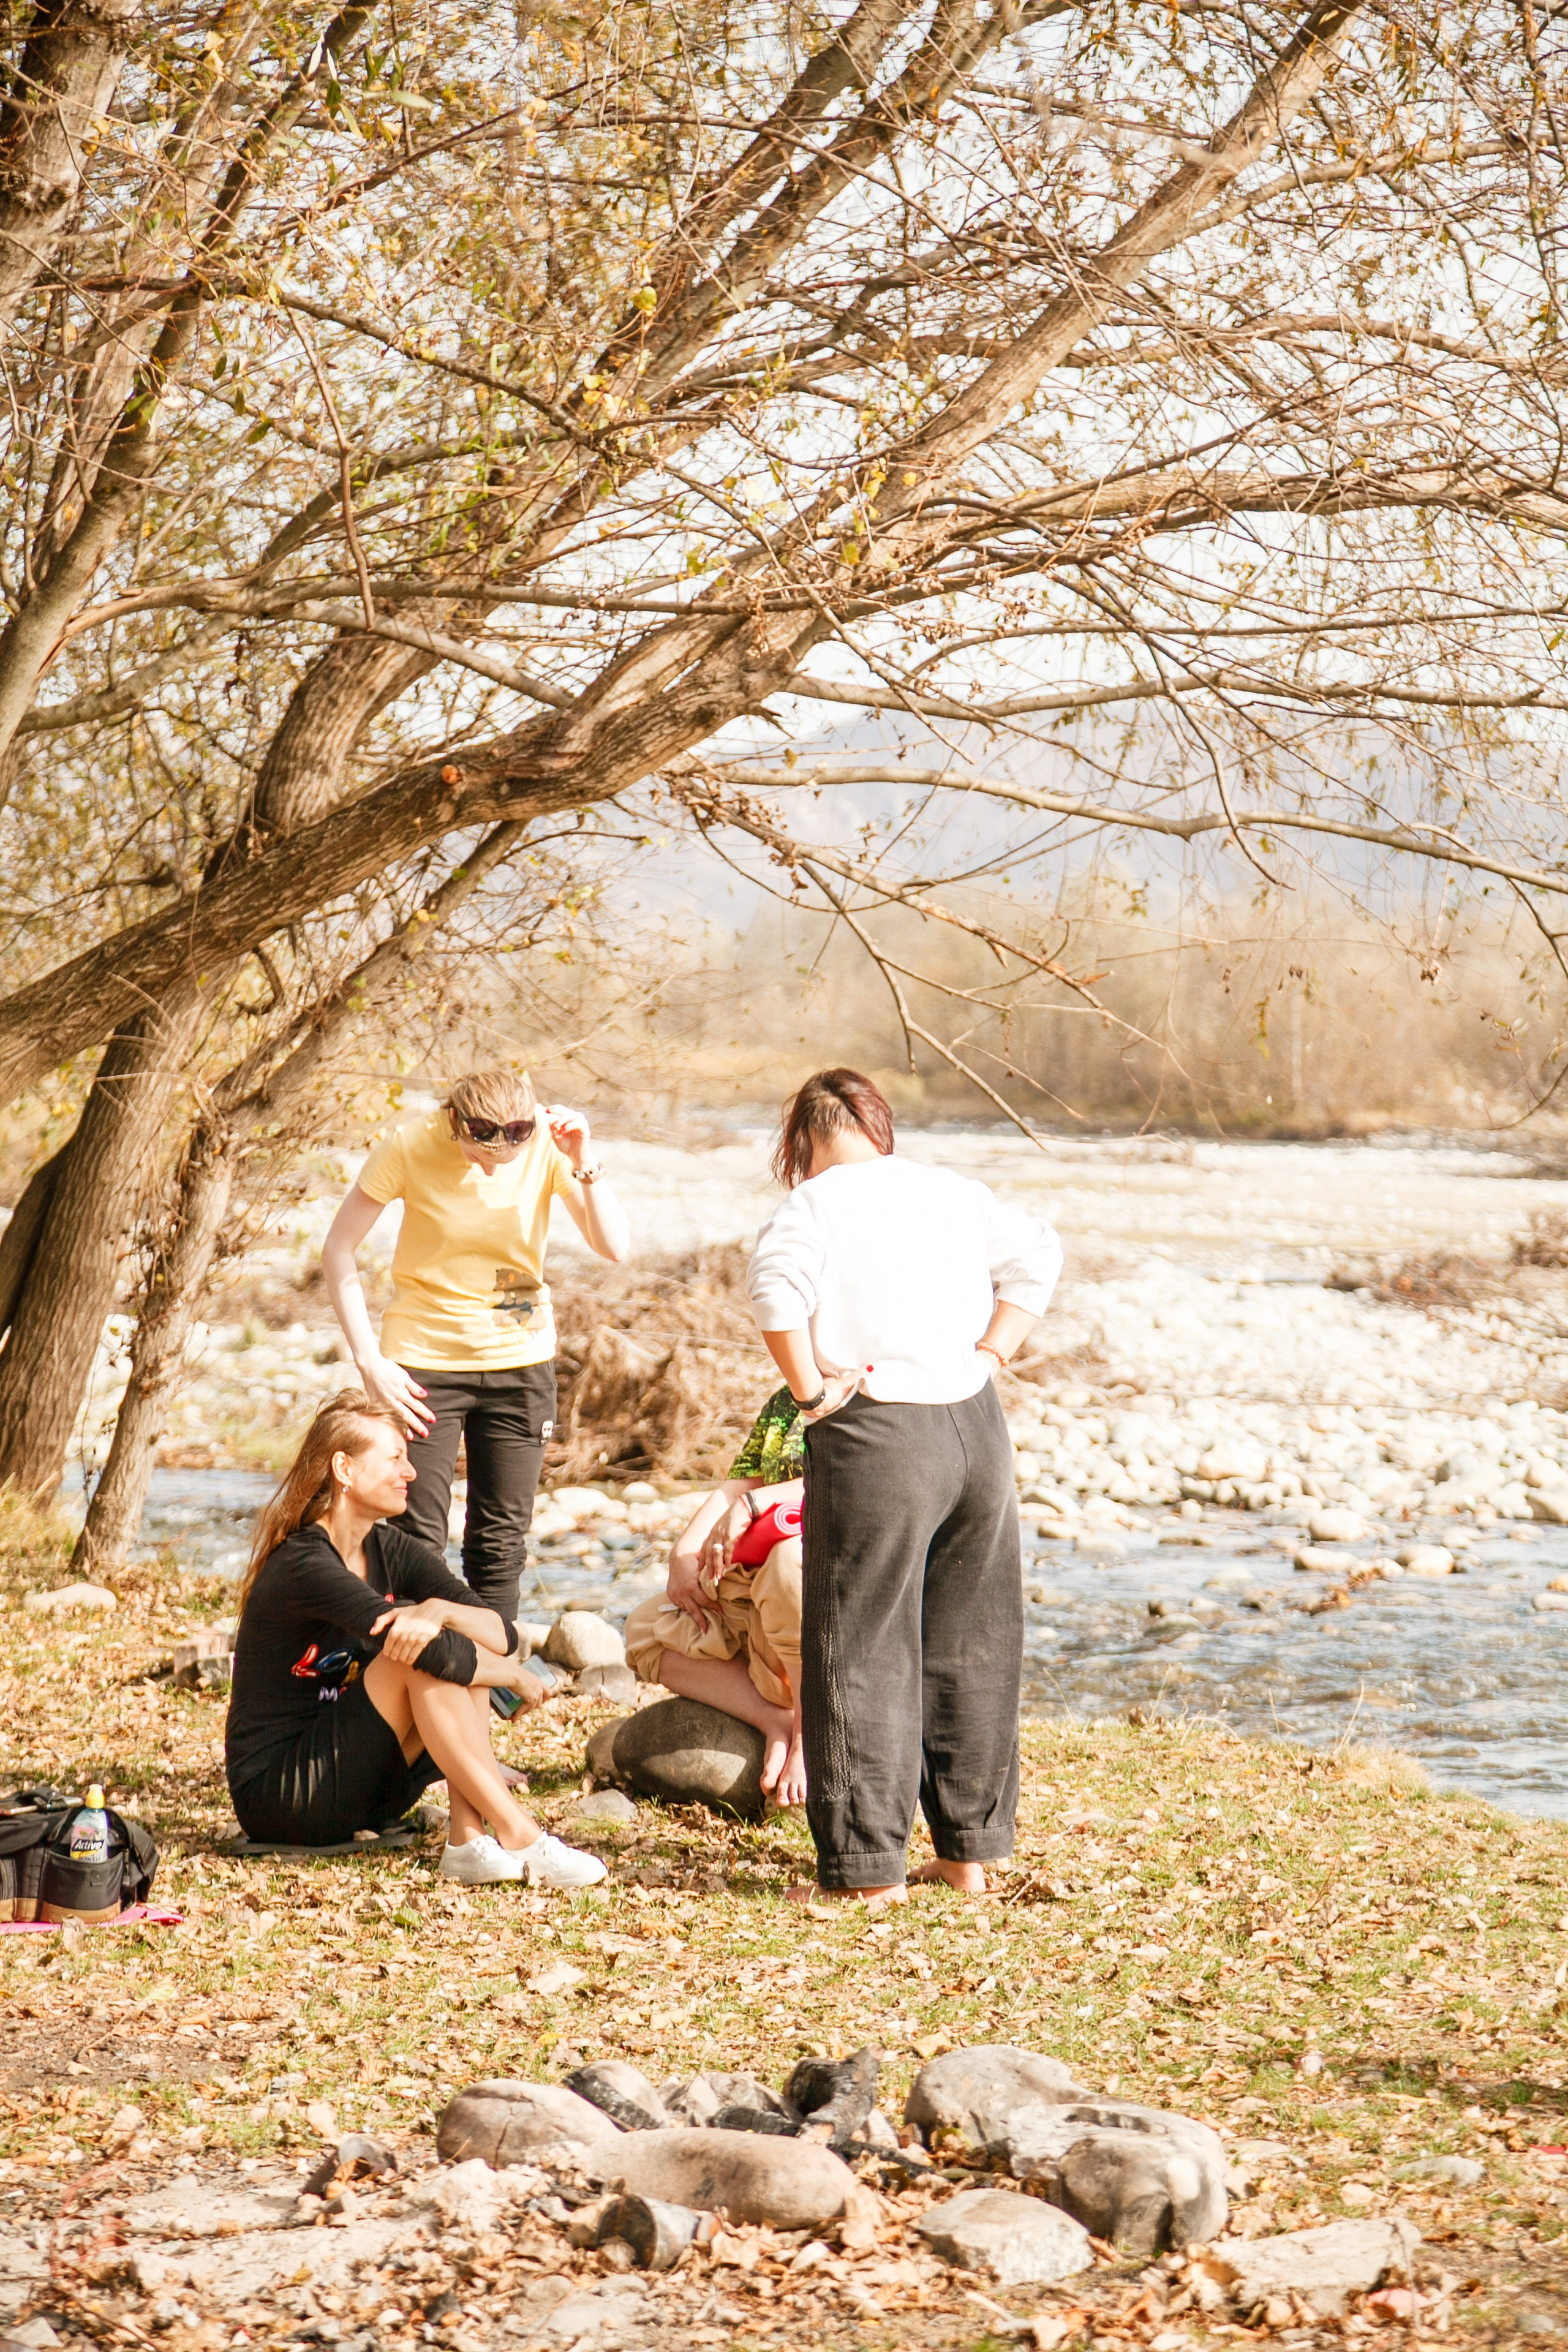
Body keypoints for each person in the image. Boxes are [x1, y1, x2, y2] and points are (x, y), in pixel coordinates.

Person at [747, 1068, 1062, 1906]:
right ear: (877, 1127)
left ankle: (866, 1872)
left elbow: (775, 1291)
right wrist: (990, 1355)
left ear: (804, 1140)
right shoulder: (951, 1189)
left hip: (879, 1425)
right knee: (974, 1640)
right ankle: (968, 1857)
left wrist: (811, 1391)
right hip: (975, 1427)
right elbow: (1040, 1260)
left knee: (859, 1643)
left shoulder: (814, 1204)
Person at [225, 1390, 607, 1887]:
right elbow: (444, 1650)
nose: (411, 1472)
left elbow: (499, 1632)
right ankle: (521, 1835)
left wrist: (443, 1609)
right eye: (395, 1458)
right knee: (417, 1650)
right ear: (344, 1468)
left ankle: (468, 1842)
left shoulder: (390, 1547)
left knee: (443, 1636)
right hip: (285, 1796)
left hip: (368, 1789)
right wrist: (512, 1676)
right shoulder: (304, 1563)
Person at [321, 1066, 628, 1625]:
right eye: (477, 1155)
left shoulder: (545, 1142)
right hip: (422, 1368)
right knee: (416, 1535)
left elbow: (613, 1246)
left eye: (504, 1159)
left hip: (522, 1365)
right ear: (456, 1123)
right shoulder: (411, 1145)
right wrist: (369, 1359)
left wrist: (583, 1156)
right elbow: (338, 1248)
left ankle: (486, 1684)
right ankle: (414, 1687)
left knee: (500, 1544)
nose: (490, 1168)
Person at [624, 1388, 807, 1804]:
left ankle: (810, 1734)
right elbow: (742, 1479)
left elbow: (856, 1480)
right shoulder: (786, 1400)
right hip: (757, 1597)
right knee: (645, 1627)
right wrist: (684, 1552)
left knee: (788, 1561)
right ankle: (776, 1721)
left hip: (820, 1608)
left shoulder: (881, 1389)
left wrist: (755, 1503)